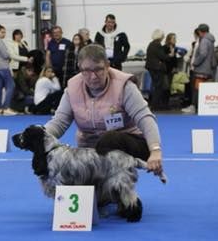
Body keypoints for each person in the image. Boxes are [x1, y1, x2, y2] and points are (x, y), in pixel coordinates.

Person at [44, 44, 164, 178]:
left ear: (107, 65)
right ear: (79, 68)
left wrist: (155, 150)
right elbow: (59, 122)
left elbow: (145, 118)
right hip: (90, 151)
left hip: (129, 144)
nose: (93, 76)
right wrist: (41, 135)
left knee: (109, 139)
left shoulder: (125, 86)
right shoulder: (72, 88)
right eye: (87, 70)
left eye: (98, 69)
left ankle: (120, 180)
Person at [0, 24, 18, 115]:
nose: (4, 34)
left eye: (5, 32)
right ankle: (6, 107)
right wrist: (9, 56)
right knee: (11, 85)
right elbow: (5, 55)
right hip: (3, 67)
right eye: (2, 32)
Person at [187, 23, 216, 112]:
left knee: (197, 88)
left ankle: (194, 107)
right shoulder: (210, 40)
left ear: (200, 31)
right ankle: (200, 107)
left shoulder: (204, 41)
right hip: (208, 68)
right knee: (203, 89)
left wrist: (195, 63)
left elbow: (203, 54)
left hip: (202, 68)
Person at [145, 29, 172, 111]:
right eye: (163, 36)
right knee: (158, 87)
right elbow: (163, 56)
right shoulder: (157, 45)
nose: (163, 37)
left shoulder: (151, 44)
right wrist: (170, 55)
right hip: (157, 69)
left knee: (156, 86)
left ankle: (154, 105)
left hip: (152, 68)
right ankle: (155, 105)